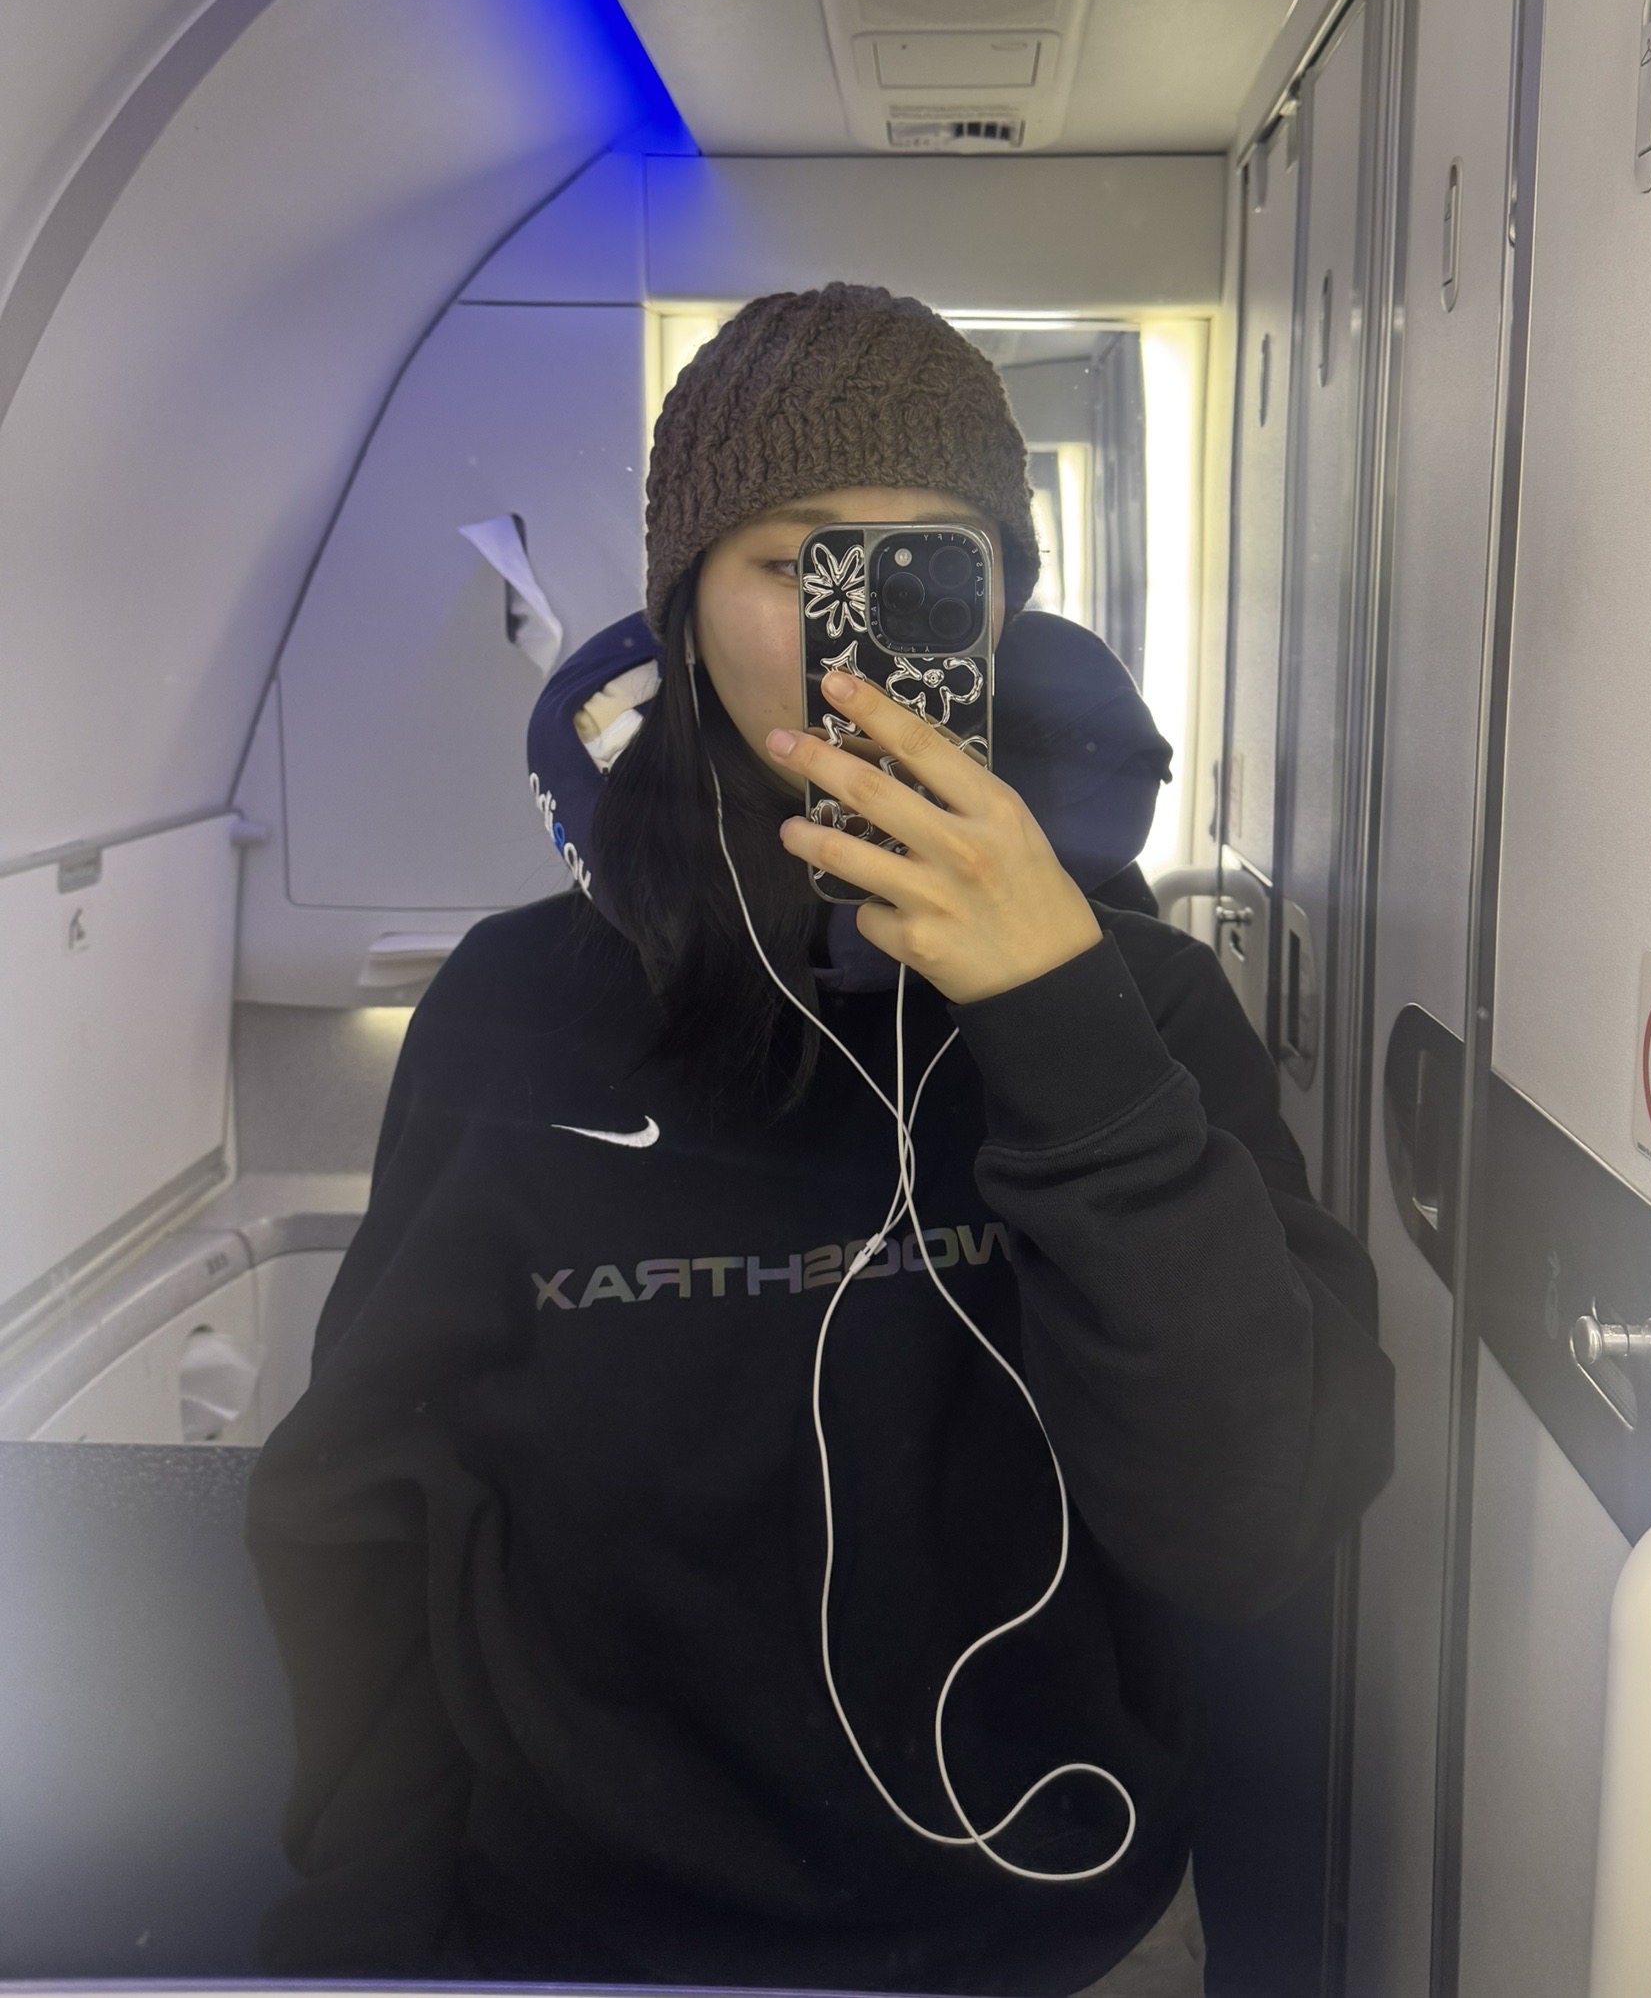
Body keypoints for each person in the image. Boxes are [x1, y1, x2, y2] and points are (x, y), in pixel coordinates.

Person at [245, 283, 1393, 1996]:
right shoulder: (512, 1010)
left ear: (1002, 601)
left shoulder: (1136, 1006)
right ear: (683, 610)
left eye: (932, 562)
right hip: (581, 1942)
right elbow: (367, 1507)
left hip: (1056, 1927)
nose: (855, 634)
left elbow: (1254, 1521)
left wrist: (1059, 1025)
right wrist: (362, 1943)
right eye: (791, 560)